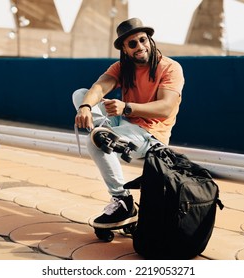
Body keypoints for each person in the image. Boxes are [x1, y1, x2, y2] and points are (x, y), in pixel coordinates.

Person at [73, 18, 185, 229]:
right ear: (124, 49)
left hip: (150, 134)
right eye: (132, 44)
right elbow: (98, 88)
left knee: (94, 141)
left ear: (150, 40)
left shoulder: (170, 68)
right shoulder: (123, 67)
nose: (140, 47)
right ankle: (107, 134)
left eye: (143, 40)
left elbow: (166, 107)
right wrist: (86, 107)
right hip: (124, 122)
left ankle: (122, 200)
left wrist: (126, 107)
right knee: (81, 95)